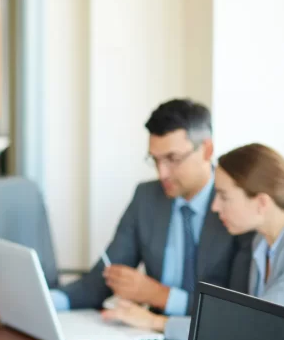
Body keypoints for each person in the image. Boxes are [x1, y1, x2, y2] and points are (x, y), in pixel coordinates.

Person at [106, 143, 284, 340]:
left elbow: (251, 325)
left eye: (224, 196)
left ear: (261, 203)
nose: (215, 207)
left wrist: (155, 323)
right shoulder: (261, 242)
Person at [51, 99, 251, 316]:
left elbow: (237, 306)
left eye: (172, 159)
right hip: (147, 337)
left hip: (210, 338)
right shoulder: (146, 197)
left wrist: (159, 295)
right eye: (155, 160)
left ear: (206, 150)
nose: (162, 173)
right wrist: (48, 301)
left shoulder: (237, 204)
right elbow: (103, 277)